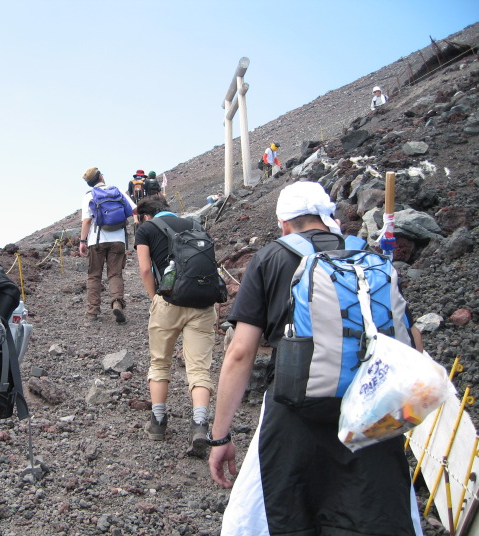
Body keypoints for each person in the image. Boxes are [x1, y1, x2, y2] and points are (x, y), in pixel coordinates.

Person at [207, 181, 423, 535]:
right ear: (329, 216)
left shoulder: (271, 258)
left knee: (285, 516)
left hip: (295, 414)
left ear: (284, 223)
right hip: (371, 414)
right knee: (374, 516)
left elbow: (240, 352)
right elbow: (411, 339)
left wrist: (220, 436)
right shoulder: (368, 258)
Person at [134, 196, 217, 457]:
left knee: (160, 362)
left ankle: (158, 422)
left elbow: (145, 270)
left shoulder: (145, 229)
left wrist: (155, 298)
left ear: (145, 216)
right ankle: (200, 424)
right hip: (203, 302)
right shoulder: (195, 225)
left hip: (168, 301)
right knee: (199, 367)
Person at [80, 167, 136, 323]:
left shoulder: (89, 196)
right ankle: (117, 303)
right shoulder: (116, 191)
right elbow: (134, 210)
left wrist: (82, 241)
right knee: (115, 274)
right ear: (100, 177)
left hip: (96, 240)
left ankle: (92, 312)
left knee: (94, 275)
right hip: (118, 240)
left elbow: (86, 221)